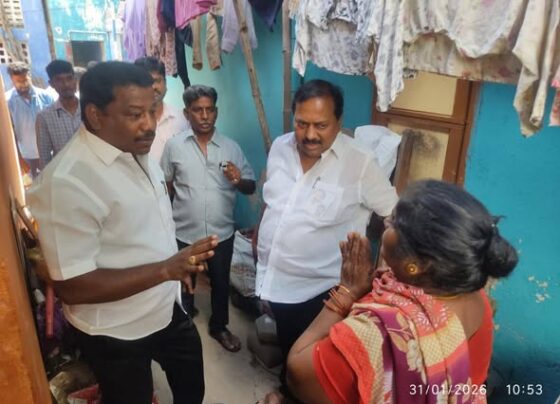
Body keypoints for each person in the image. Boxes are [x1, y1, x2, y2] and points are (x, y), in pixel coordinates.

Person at [28, 61, 217, 404]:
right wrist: (166, 269)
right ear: (96, 115)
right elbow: (72, 286)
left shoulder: (134, 148)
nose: (149, 125)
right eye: (135, 114)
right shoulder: (67, 182)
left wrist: (177, 269)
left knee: (192, 388)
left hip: (165, 308)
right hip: (114, 333)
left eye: (152, 110)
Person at [285, 180, 519, 404]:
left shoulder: (378, 335)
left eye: (396, 222)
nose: (387, 221)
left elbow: (297, 375)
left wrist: (348, 290)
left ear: (415, 266)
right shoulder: (474, 297)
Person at [255, 79, 398, 395]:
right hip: (275, 279)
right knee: (288, 344)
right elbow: (274, 202)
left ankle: (292, 393)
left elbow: (394, 214)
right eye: (301, 123)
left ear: (339, 122)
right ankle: (287, 388)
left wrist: (387, 270)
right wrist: (259, 240)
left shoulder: (359, 162)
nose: (309, 134)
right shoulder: (280, 147)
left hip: (320, 292)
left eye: (320, 125)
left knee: (313, 367)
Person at [161, 84, 256, 352]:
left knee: (221, 283)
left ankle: (219, 327)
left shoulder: (231, 148)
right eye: (197, 110)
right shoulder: (174, 147)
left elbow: (250, 186)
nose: (204, 116)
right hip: (184, 231)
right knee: (185, 281)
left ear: (216, 112)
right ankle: (184, 322)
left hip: (220, 233)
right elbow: (165, 186)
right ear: (186, 113)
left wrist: (238, 180)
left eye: (209, 110)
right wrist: (164, 223)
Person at [134, 56, 190, 162]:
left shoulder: (182, 118)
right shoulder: (130, 123)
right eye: (148, 81)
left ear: (165, 83)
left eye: (157, 81)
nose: (154, 87)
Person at [5, 61, 55, 177]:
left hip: (50, 154)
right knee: (34, 186)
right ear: (12, 80)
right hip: (26, 157)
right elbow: (9, 135)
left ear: (30, 76)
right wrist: (19, 159)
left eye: (26, 80)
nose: (23, 84)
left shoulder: (46, 97)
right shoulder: (7, 102)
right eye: (19, 81)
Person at [36, 60, 81, 169]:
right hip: (64, 173)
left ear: (75, 80)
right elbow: (45, 156)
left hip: (93, 171)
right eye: (59, 80)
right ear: (51, 84)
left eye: (69, 78)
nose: (66, 84)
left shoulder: (90, 109)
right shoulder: (44, 117)